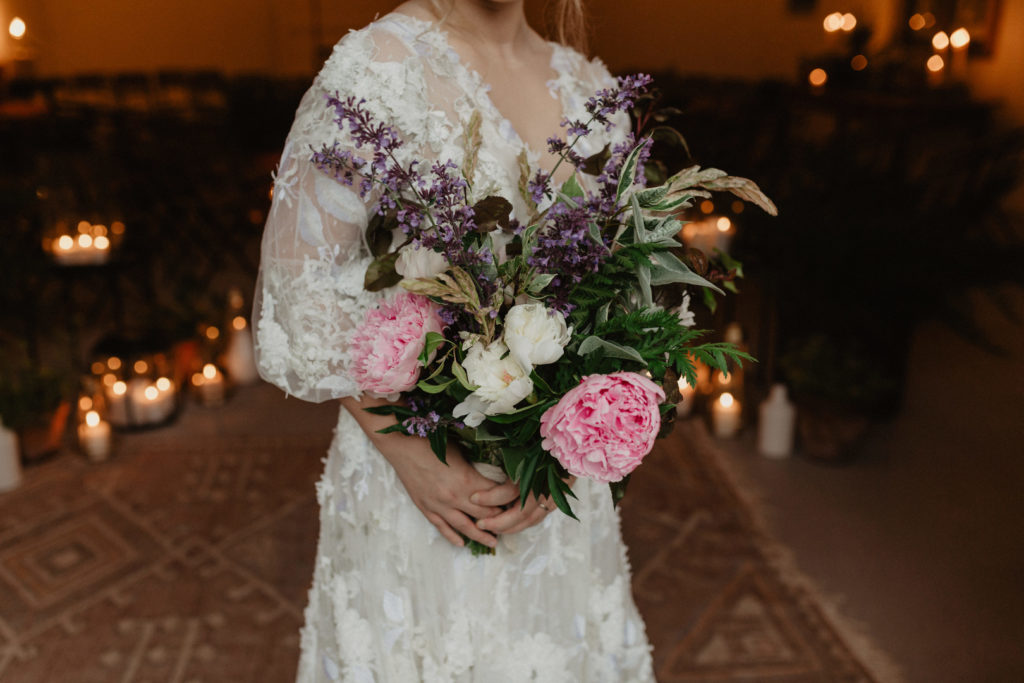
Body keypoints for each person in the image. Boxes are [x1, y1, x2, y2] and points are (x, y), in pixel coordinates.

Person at [253, 1, 655, 680]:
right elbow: (297, 298)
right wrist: (408, 454)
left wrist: (566, 450)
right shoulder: (375, 69)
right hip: (422, 483)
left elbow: (620, 295)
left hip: (554, 502)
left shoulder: (592, 88)